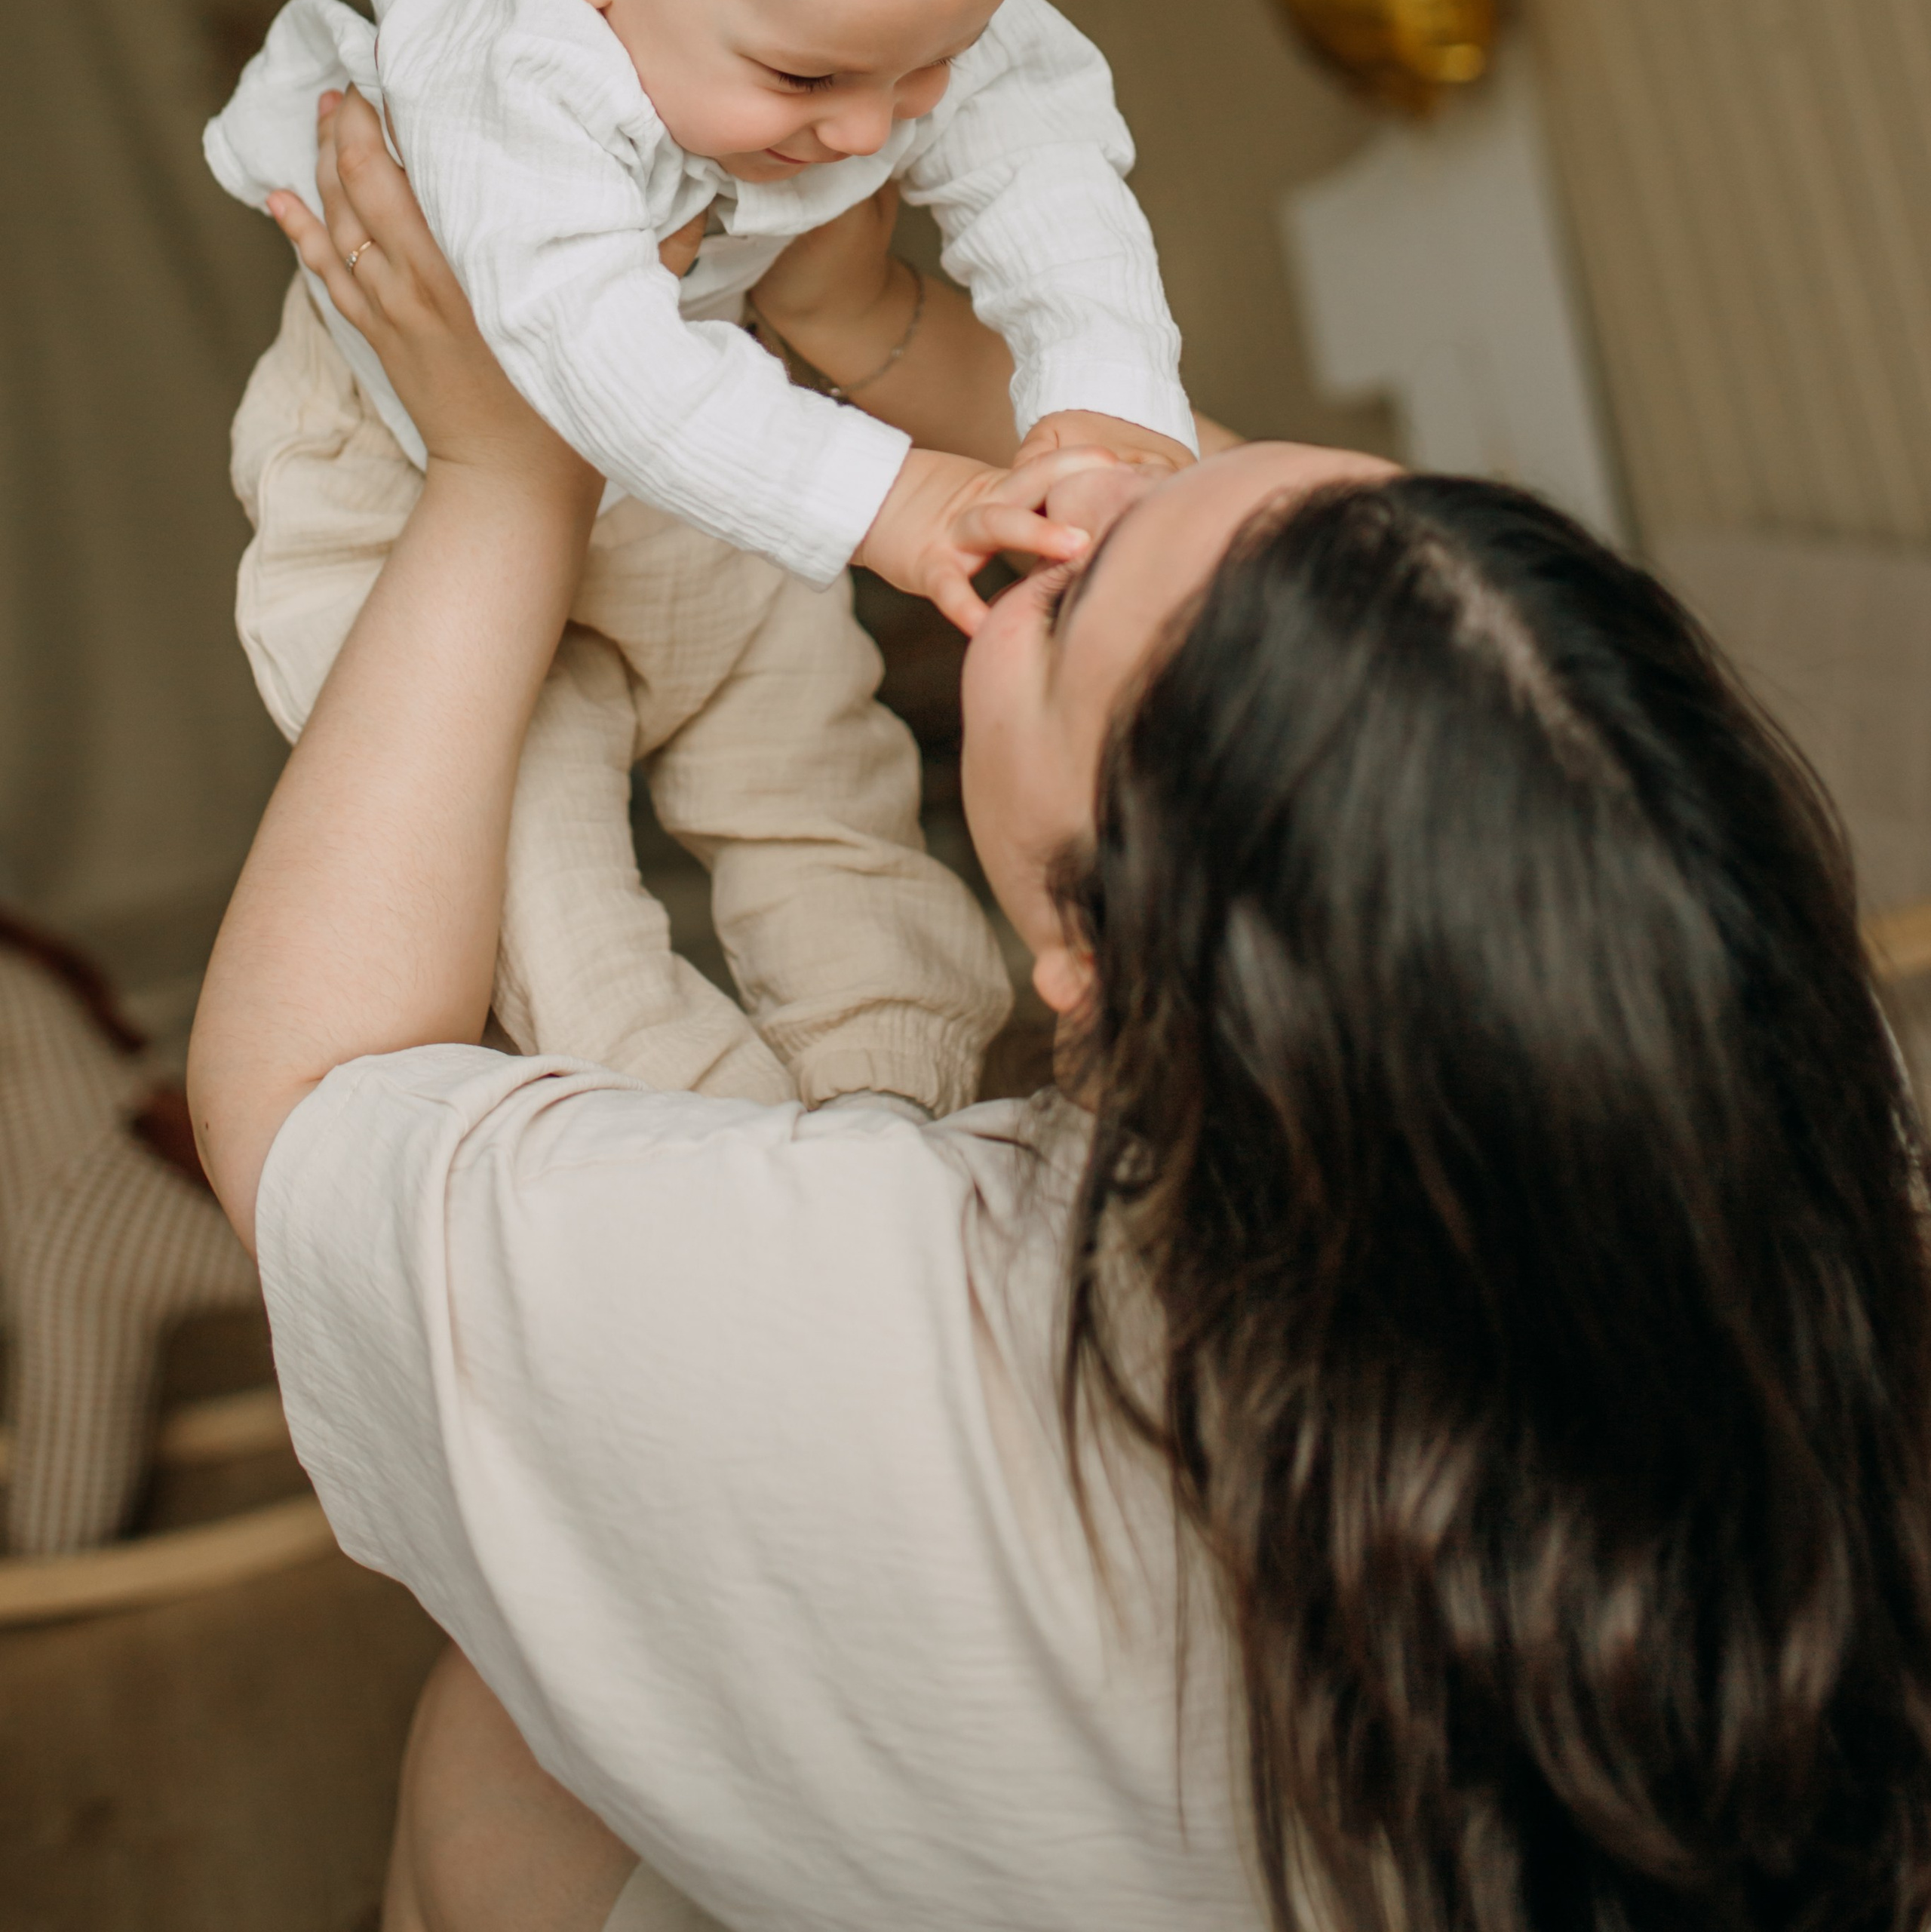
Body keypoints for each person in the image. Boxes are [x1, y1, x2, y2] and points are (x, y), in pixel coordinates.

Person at [189, 95, 1931, 1932]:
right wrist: (881, 335)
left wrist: (503, 470)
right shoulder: (1783, 1108)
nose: (1075, 488)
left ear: (1087, 953)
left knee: (492, 1742)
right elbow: (1343, 620)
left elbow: (304, 1102)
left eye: (1067, 588)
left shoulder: (876, 1327)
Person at [203, 0, 1193, 1113]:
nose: (869, 128)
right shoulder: (502, 69)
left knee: (820, 773)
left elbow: (1045, 161)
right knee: (532, 878)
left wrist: (1101, 403)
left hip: (697, 441)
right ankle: (703, 1147)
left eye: (920, 69)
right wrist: (898, 498)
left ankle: (895, 1110)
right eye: (805, 80)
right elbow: (589, 354)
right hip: (401, 480)